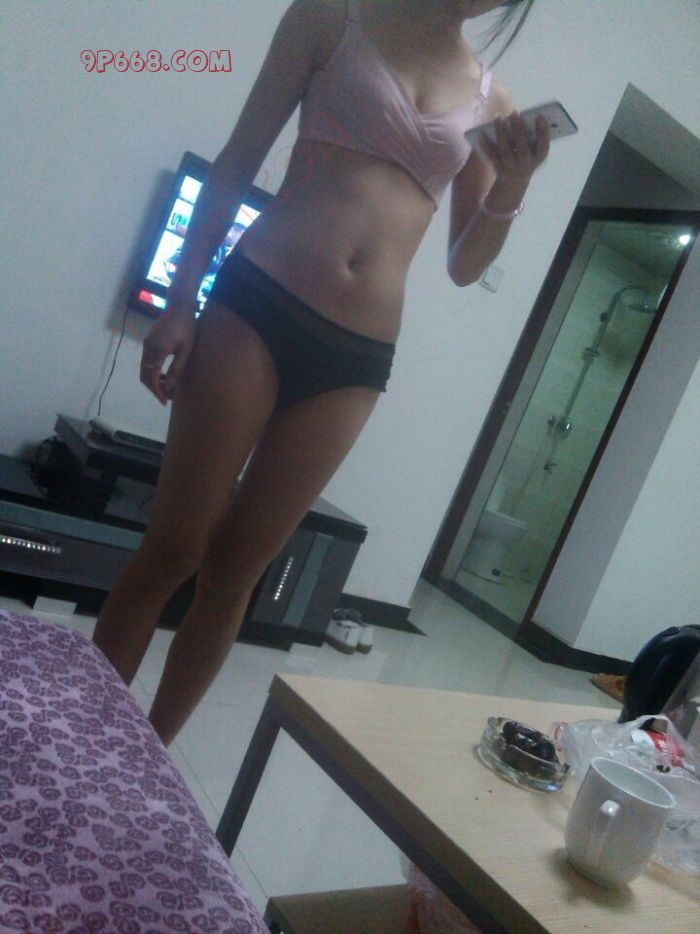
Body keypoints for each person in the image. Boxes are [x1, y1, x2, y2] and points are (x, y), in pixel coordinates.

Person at [92, 0, 549, 748]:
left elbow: (465, 264)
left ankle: (147, 763)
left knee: (237, 572)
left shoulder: (491, 100)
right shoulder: (333, 17)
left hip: (357, 355)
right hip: (257, 304)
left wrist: (512, 187)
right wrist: (178, 301)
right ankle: (82, 742)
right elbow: (238, 160)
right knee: (175, 545)